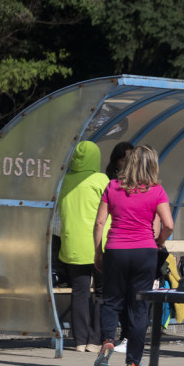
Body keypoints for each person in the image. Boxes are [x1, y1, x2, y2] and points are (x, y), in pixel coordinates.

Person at [93, 145, 174, 366]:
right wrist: (158, 241)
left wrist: (98, 252)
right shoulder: (157, 191)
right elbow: (168, 224)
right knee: (139, 307)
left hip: (116, 250)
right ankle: (133, 364)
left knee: (110, 300)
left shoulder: (113, 186)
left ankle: (108, 339)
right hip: (144, 252)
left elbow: (99, 223)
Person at [58, 141, 109, 353]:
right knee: (102, 293)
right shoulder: (101, 179)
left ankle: (79, 341)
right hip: (98, 244)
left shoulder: (64, 181)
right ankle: (95, 341)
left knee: (79, 291)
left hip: (72, 244)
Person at [103, 141, 135, 353]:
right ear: (116, 162)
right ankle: (113, 339)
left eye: (132, 158)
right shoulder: (110, 184)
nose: (129, 162)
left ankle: (121, 338)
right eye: (125, 158)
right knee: (117, 296)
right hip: (118, 244)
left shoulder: (140, 185)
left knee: (123, 296)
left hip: (117, 246)